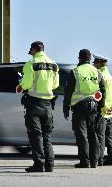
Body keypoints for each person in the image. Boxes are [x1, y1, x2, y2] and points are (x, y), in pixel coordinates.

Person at [17, 41, 59, 172]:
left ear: (34, 50)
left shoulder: (31, 64)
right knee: (47, 135)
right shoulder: (53, 64)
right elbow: (55, 85)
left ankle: (39, 164)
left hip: (34, 103)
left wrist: (21, 84)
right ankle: (50, 164)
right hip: (47, 104)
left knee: (36, 135)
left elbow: (27, 83)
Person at [63, 49, 105, 168]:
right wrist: (101, 105)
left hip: (79, 106)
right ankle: (94, 161)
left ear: (79, 58)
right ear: (90, 59)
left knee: (81, 134)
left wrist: (66, 108)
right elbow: (103, 90)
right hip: (93, 106)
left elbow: (68, 92)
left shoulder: (76, 72)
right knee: (93, 133)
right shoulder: (96, 72)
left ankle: (84, 161)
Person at [93, 54, 112, 166]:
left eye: (94, 62)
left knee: (100, 135)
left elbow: (98, 93)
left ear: (98, 63)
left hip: (102, 108)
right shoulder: (110, 76)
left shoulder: (100, 75)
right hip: (110, 108)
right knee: (109, 135)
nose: (93, 64)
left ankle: (99, 159)